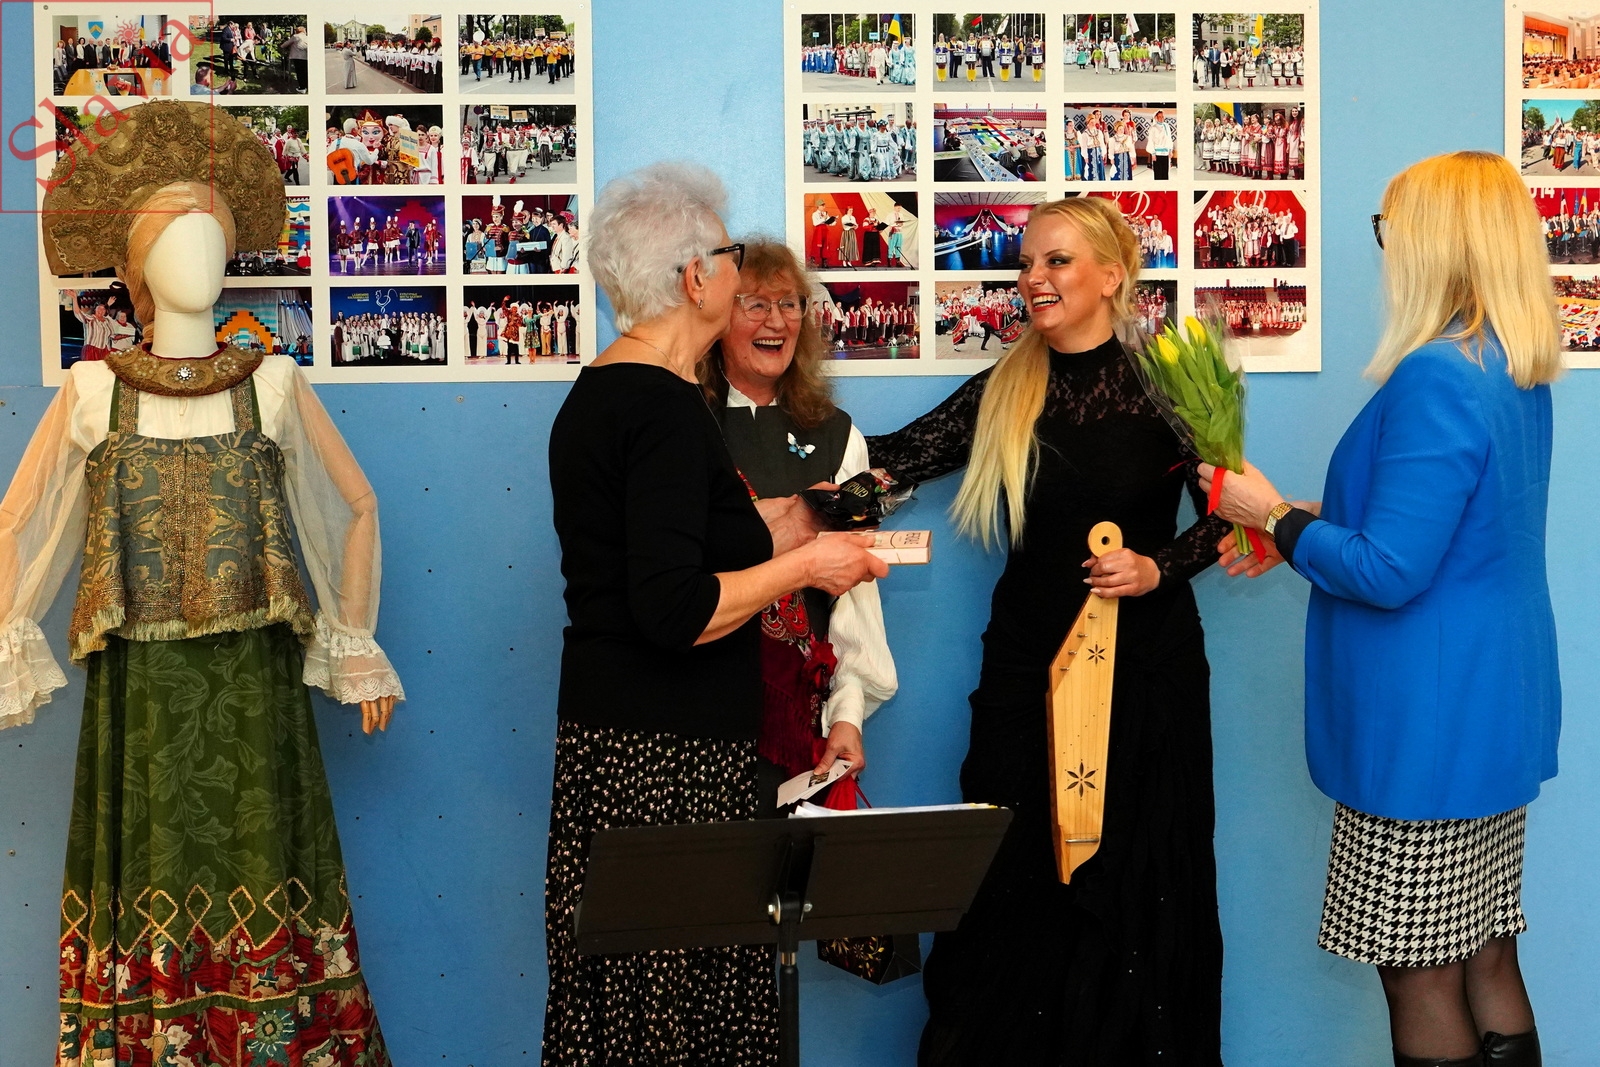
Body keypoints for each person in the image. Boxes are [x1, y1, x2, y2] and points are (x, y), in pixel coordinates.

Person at [33, 100, 399, 1066]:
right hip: (140, 706)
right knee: (150, 873)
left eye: (210, 234)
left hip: (254, 697)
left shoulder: (272, 384)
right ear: (134, 261)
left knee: (263, 866)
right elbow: (24, 521)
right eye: (171, 235)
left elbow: (349, 504)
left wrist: (353, 641)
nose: (195, 255)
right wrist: (8, 630)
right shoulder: (92, 391)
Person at [1200, 151, 1559, 1067]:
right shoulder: (1510, 363)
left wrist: (1271, 516)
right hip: (1489, 707)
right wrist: (1311, 522)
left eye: (1390, 228)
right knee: (1485, 947)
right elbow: (1459, 526)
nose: (1387, 248)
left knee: (1419, 969)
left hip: (1425, 727)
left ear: (1435, 240)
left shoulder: (1436, 373)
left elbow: (1391, 570)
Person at [867, 197, 1228, 1064]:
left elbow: (1234, 516)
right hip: (1026, 675)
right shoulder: (1008, 385)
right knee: (1009, 875)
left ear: (1112, 276)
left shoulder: (1173, 381)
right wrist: (777, 460)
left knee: (1136, 879)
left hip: (1145, 676)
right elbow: (891, 459)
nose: (1034, 278)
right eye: (1027, 263)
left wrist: (1156, 568)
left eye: (1057, 261)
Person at [544, 162, 887, 1064]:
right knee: (676, 1019)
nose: (742, 275)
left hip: (619, 747)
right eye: (733, 257)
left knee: (627, 1015)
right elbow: (677, 607)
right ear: (697, 277)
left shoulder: (606, 392)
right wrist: (809, 564)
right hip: (667, 766)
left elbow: (671, 549)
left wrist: (797, 517)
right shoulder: (664, 410)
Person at [698, 239, 898, 809]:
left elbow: (856, 597)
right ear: (717, 315)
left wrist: (848, 713)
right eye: (755, 304)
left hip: (801, 720)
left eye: (789, 304)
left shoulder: (837, 434)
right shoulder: (684, 424)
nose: (777, 321)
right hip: (698, 706)